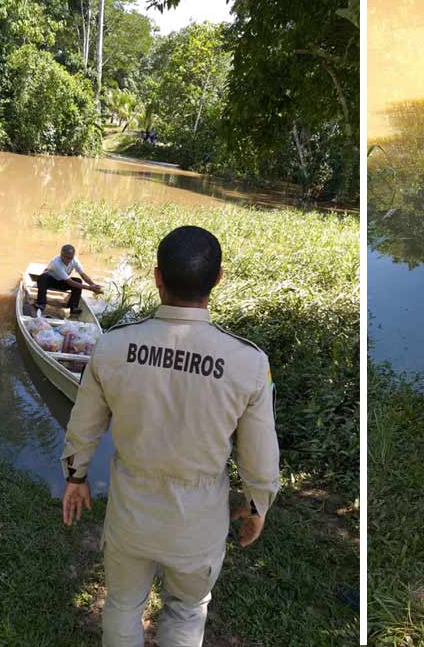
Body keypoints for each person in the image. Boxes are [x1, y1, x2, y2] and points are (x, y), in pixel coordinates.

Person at [59, 226, 280, 647]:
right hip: (197, 526)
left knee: (123, 605)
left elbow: (83, 423)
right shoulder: (248, 363)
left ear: (157, 277)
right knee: (185, 611)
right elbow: (260, 455)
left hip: (131, 516)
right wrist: (257, 504)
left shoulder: (113, 346)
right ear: (217, 280)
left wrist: (75, 476)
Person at [35, 244, 102, 315]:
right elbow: (70, 282)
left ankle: (73, 307)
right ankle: (41, 304)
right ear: (61, 255)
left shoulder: (75, 261)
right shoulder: (56, 263)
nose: (68, 260)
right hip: (51, 281)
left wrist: (94, 285)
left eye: (70, 258)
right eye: (66, 257)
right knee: (42, 278)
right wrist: (90, 288)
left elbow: (83, 275)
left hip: (62, 281)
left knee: (78, 281)